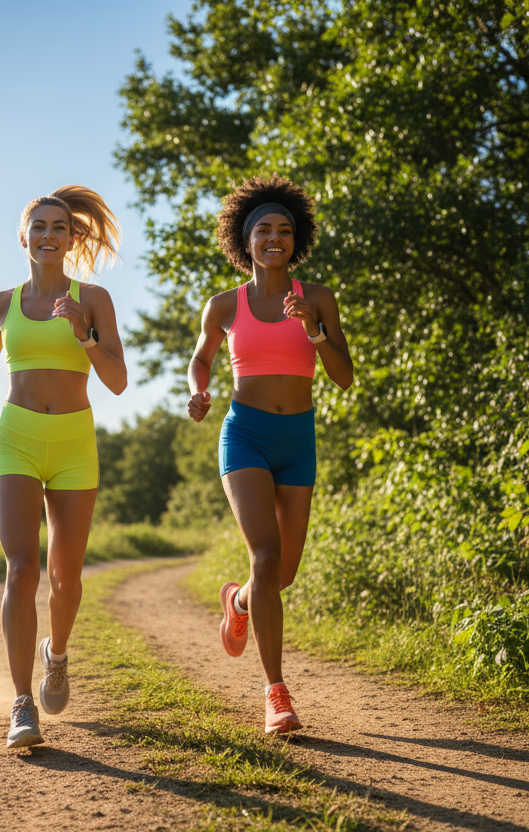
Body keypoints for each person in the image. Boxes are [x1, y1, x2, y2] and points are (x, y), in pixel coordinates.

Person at [0, 186, 127, 748]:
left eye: (59, 227)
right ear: (23, 237)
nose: (48, 235)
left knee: (66, 578)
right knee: (21, 568)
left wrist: (84, 334)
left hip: (74, 441)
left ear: (72, 239)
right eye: (39, 226)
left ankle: (56, 654)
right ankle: (21, 704)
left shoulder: (93, 298)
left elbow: (118, 381)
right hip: (17, 439)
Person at [185, 175, 353, 734]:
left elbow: (344, 377)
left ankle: (238, 602)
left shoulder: (318, 298)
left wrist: (315, 331)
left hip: (298, 440)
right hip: (246, 435)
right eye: (263, 230)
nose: (274, 237)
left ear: (296, 239)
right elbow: (201, 358)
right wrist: (199, 390)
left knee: (283, 573)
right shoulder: (224, 305)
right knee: (264, 557)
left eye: (284, 229)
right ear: (245, 240)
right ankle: (276, 693)